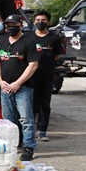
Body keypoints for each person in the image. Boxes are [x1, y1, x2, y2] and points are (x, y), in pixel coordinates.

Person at [0, 14, 39, 161]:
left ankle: (28, 147)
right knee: (8, 120)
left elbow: (33, 65)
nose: (9, 27)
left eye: (13, 24)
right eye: (7, 25)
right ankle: (12, 144)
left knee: (26, 119)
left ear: (20, 25)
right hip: (5, 88)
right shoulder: (2, 41)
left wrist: (18, 83)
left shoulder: (28, 42)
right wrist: (0, 82)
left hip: (23, 88)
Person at [28, 10, 63, 141]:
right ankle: (30, 131)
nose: (40, 22)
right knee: (31, 105)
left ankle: (42, 131)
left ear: (48, 22)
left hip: (47, 76)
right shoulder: (28, 37)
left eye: (43, 20)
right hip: (31, 77)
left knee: (45, 105)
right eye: (38, 20)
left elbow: (57, 55)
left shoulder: (54, 38)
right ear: (34, 22)